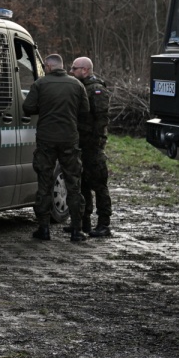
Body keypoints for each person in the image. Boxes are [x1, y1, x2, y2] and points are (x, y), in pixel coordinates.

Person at [22, 53, 90, 242]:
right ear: (62, 66)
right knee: (73, 184)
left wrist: (44, 108)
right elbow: (85, 111)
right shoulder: (77, 85)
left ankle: (43, 229)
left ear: (49, 67)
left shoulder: (40, 84)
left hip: (46, 140)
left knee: (44, 183)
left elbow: (27, 107)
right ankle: (77, 230)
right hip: (69, 139)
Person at [70, 57, 113, 238]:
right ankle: (84, 221)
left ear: (85, 70)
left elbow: (101, 118)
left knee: (99, 184)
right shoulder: (80, 87)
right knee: (82, 183)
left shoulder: (96, 89)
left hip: (92, 145)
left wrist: (96, 141)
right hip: (81, 142)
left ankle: (103, 224)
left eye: (74, 68)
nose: (71, 71)